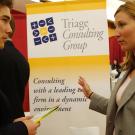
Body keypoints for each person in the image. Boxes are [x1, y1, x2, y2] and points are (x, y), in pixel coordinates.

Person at [78, 1, 135, 135]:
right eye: (115, 26)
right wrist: (91, 94)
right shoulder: (128, 70)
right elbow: (120, 108)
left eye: (122, 25)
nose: (116, 33)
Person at [0, 0, 40, 134]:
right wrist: (21, 129)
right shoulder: (22, 61)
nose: (9, 29)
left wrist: (14, 127)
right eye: (4, 20)